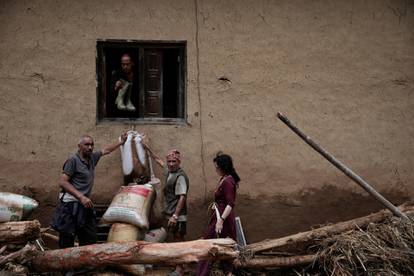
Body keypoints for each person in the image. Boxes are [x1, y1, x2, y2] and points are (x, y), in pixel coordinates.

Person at [51, 133, 127, 248]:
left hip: (85, 204)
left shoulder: (92, 158)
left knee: (89, 237)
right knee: (67, 238)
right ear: (79, 146)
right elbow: (63, 182)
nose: (90, 147)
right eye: (86, 145)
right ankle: (66, 264)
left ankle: (86, 265)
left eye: (92, 145)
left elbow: (106, 150)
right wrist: (80, 197)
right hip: (70, 205)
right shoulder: (73, 160)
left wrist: (121, 141)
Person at [143, 143, 189, 276]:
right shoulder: (169, 171)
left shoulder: (180, 176)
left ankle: (180, 269)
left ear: (179, 162)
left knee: (178, 240)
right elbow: (158, 160)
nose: (171, 163)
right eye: (169, 161)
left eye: (174, 161)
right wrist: (147, 147)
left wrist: (175, 216)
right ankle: (176, 264)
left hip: (177, 215)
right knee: (173, 239)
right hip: (169, 213)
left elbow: (182, 197)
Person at [196, 152, 241, 276]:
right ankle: (228, 273)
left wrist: (220, 220)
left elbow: (230, 204)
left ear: (223, 167)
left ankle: (202, 273)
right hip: (219, 217)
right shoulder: (224, 179)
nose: (215, 169)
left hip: (223, 220)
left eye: (217, 167)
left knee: (208, 245)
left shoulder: (228, 181)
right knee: (222, 250)